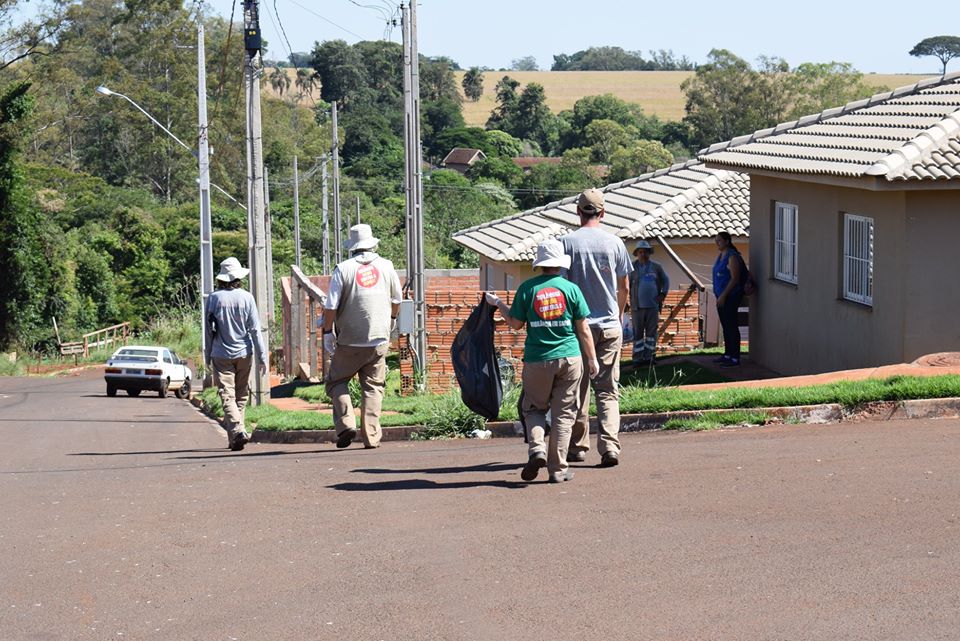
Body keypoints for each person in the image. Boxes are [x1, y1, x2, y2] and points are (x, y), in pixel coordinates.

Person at [485, 239, 598, 483]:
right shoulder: (571, 289)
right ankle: (557, 470)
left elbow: (515, 324)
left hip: (537, 360)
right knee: (564, 415)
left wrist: (498, 303)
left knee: (534, 408)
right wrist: (592, 359)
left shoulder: (528, 289)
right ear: (560, 264)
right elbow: (584, 329)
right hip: (569, 358)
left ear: (540, 264)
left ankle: (537, 449)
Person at [561, 188, 633, 468]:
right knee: (607, 389)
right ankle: (610, 446)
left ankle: (578, 446)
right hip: (610, 325)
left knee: (578, 388)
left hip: (580, 327)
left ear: (578, 211)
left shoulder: (567, 243)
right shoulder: (615, 243)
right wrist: (618, 315)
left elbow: (564, 287)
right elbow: (624, 286)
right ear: (603, 213)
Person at [322, 224, 402, 450]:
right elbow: (397, 300)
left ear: (352, 247)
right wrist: (391, 319)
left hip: (349, 340)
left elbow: (331, 306)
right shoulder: (387, 266)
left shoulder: (343, 269)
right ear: (373, 244)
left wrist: (327, 332)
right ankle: (372, 437)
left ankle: (346, 424)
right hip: (379, 338)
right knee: (373, 387)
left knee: (337, 381)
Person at [204, 257, 267, 451]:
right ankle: (236, 436)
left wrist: (207, 355)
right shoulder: (247, 298)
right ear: (238, 277)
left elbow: (208, 331)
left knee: (227, 395)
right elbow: (255, 329)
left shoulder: (213, 299)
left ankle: (237, 432)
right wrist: (262, 356)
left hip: (221, 354)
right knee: (240, 395)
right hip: (244, 353)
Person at [629, 239, 669, 365]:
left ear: (649, 253)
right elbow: (625, 285)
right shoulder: (631, 267)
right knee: (638, 334)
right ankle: (637, 359)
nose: (643, 254)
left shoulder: (656, 267)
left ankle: (649, 358)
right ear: (636, 253)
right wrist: (625, 302)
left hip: (652, 306)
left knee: (651, 333)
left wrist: (663, 294)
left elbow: (666, 281)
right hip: (637, 307)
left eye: (645, 252)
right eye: (640, 252)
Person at [712, 231, 745, 367]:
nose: (717, 243)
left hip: (730, 296)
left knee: (731, 326)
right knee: (725, 325)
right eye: (716, 241)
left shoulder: (732, 256)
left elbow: (735, 278)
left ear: (727, 241)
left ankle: (735, 357)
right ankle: (727, 354)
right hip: (720, 296)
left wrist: (724, 295)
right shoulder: (721, 255)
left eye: (719, 240)